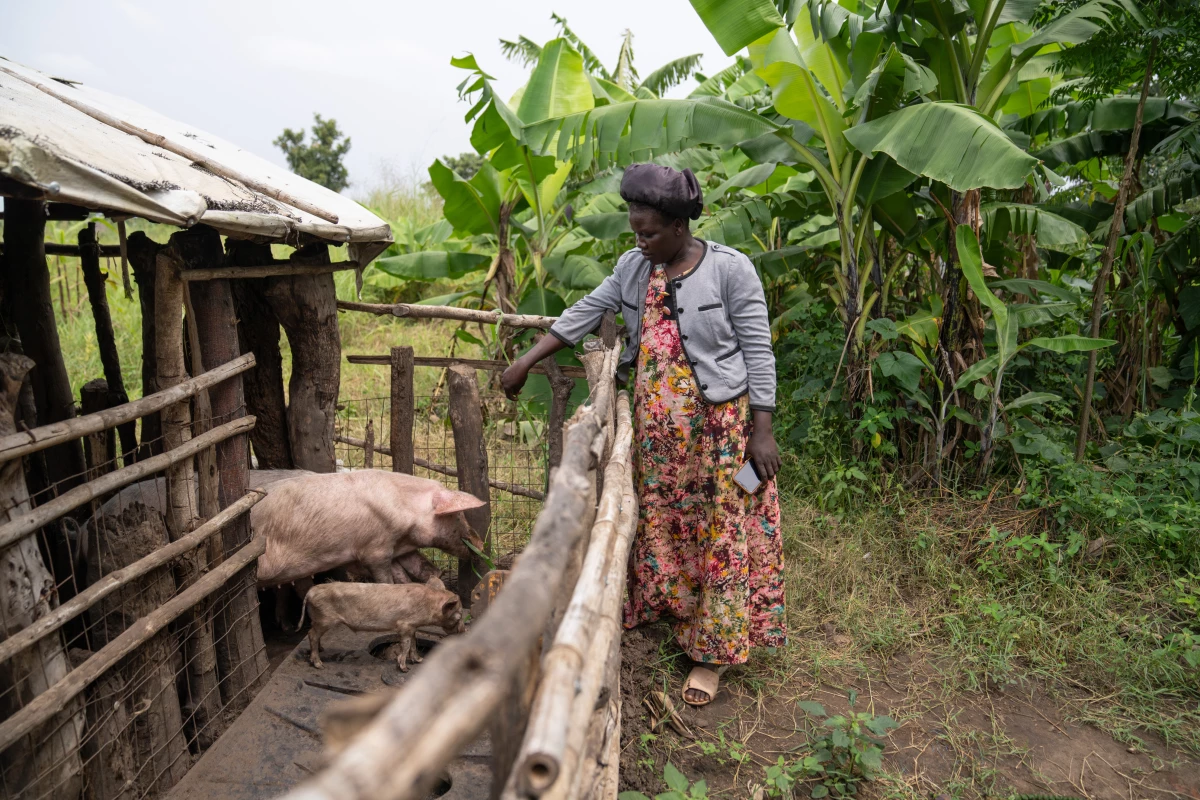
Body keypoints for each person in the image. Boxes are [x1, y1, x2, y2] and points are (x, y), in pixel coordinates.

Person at [501, 163, 786, 706]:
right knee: (663, 524)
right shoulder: (634, 268)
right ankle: (671, 614)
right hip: (658, 433)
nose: (640, 241)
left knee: (720, 529)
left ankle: (711, 656)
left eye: (649, 232)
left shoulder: (731, 270)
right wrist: (525, 361)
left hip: (720, 432)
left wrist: (763, 430)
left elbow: (758, 350)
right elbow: (585, 312)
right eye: (635, 230)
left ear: (679, 226)